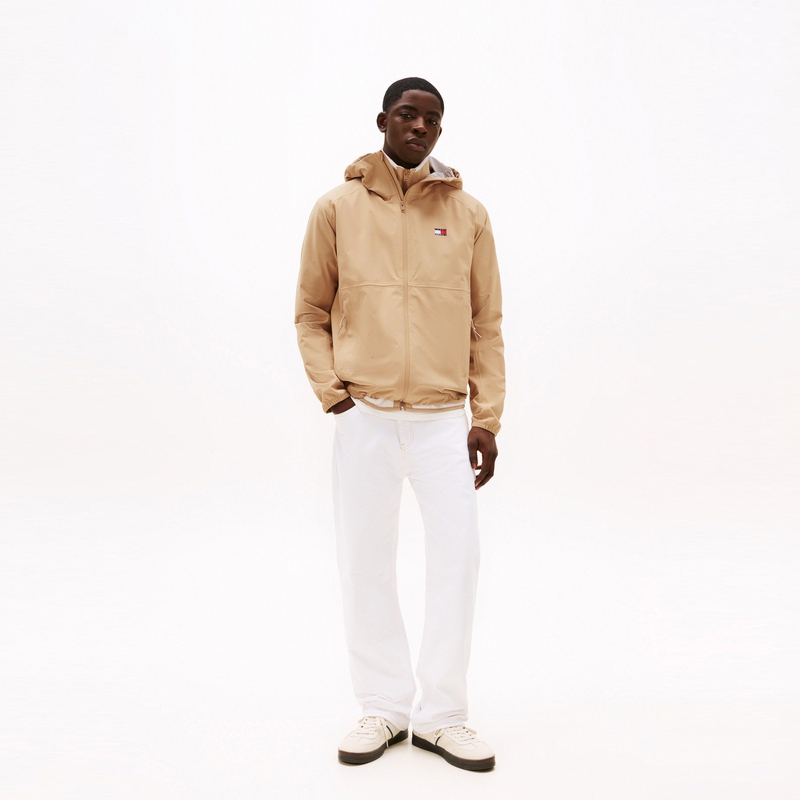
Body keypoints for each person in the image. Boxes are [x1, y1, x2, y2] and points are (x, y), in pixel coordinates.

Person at [294, 77, 505, 772]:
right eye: (408, 114)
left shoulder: (468, 213)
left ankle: (443, 717)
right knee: (365, 561)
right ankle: (383, 707)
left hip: (445, 421)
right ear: (383, 120)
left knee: (457, 562)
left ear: (440, 130)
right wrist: (333, 393)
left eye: (432, 119)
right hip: (367, 417)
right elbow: (311, 311)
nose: (419, 126)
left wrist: (487, 416)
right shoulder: (337, 208)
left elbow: (486, 323)